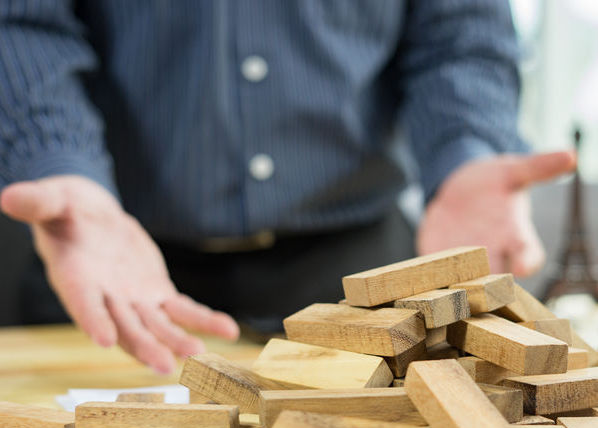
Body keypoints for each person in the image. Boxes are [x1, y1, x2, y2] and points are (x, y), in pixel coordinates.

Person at [0, 1, 575, 373]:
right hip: (105, 263)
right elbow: (22, 22)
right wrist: (58, 158)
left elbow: (458, 33)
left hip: (356, 271)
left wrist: (465, 148)